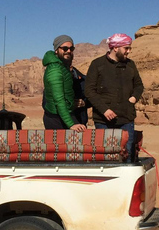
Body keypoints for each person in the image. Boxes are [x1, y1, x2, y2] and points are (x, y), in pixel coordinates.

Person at [85, 33, 144, 161]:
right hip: (103, 120)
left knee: (127, 154)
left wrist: (134, 98)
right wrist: (104, 109)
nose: (128, 51)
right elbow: (89, 90)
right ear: (115, 48)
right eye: (126, 48)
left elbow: (139, 85)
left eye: (129, 48)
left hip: (126, 118)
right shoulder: (97, 64)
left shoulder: (131, 65)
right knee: (105, 155)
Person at [42, 35, 87, 131]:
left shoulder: (63, 67)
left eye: (71, 48)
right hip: (56, 119)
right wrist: (71, 124)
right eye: (65, 48)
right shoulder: (55, 70)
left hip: (66, 114)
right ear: (56, 50)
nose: (69, 51)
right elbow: (59, 99)